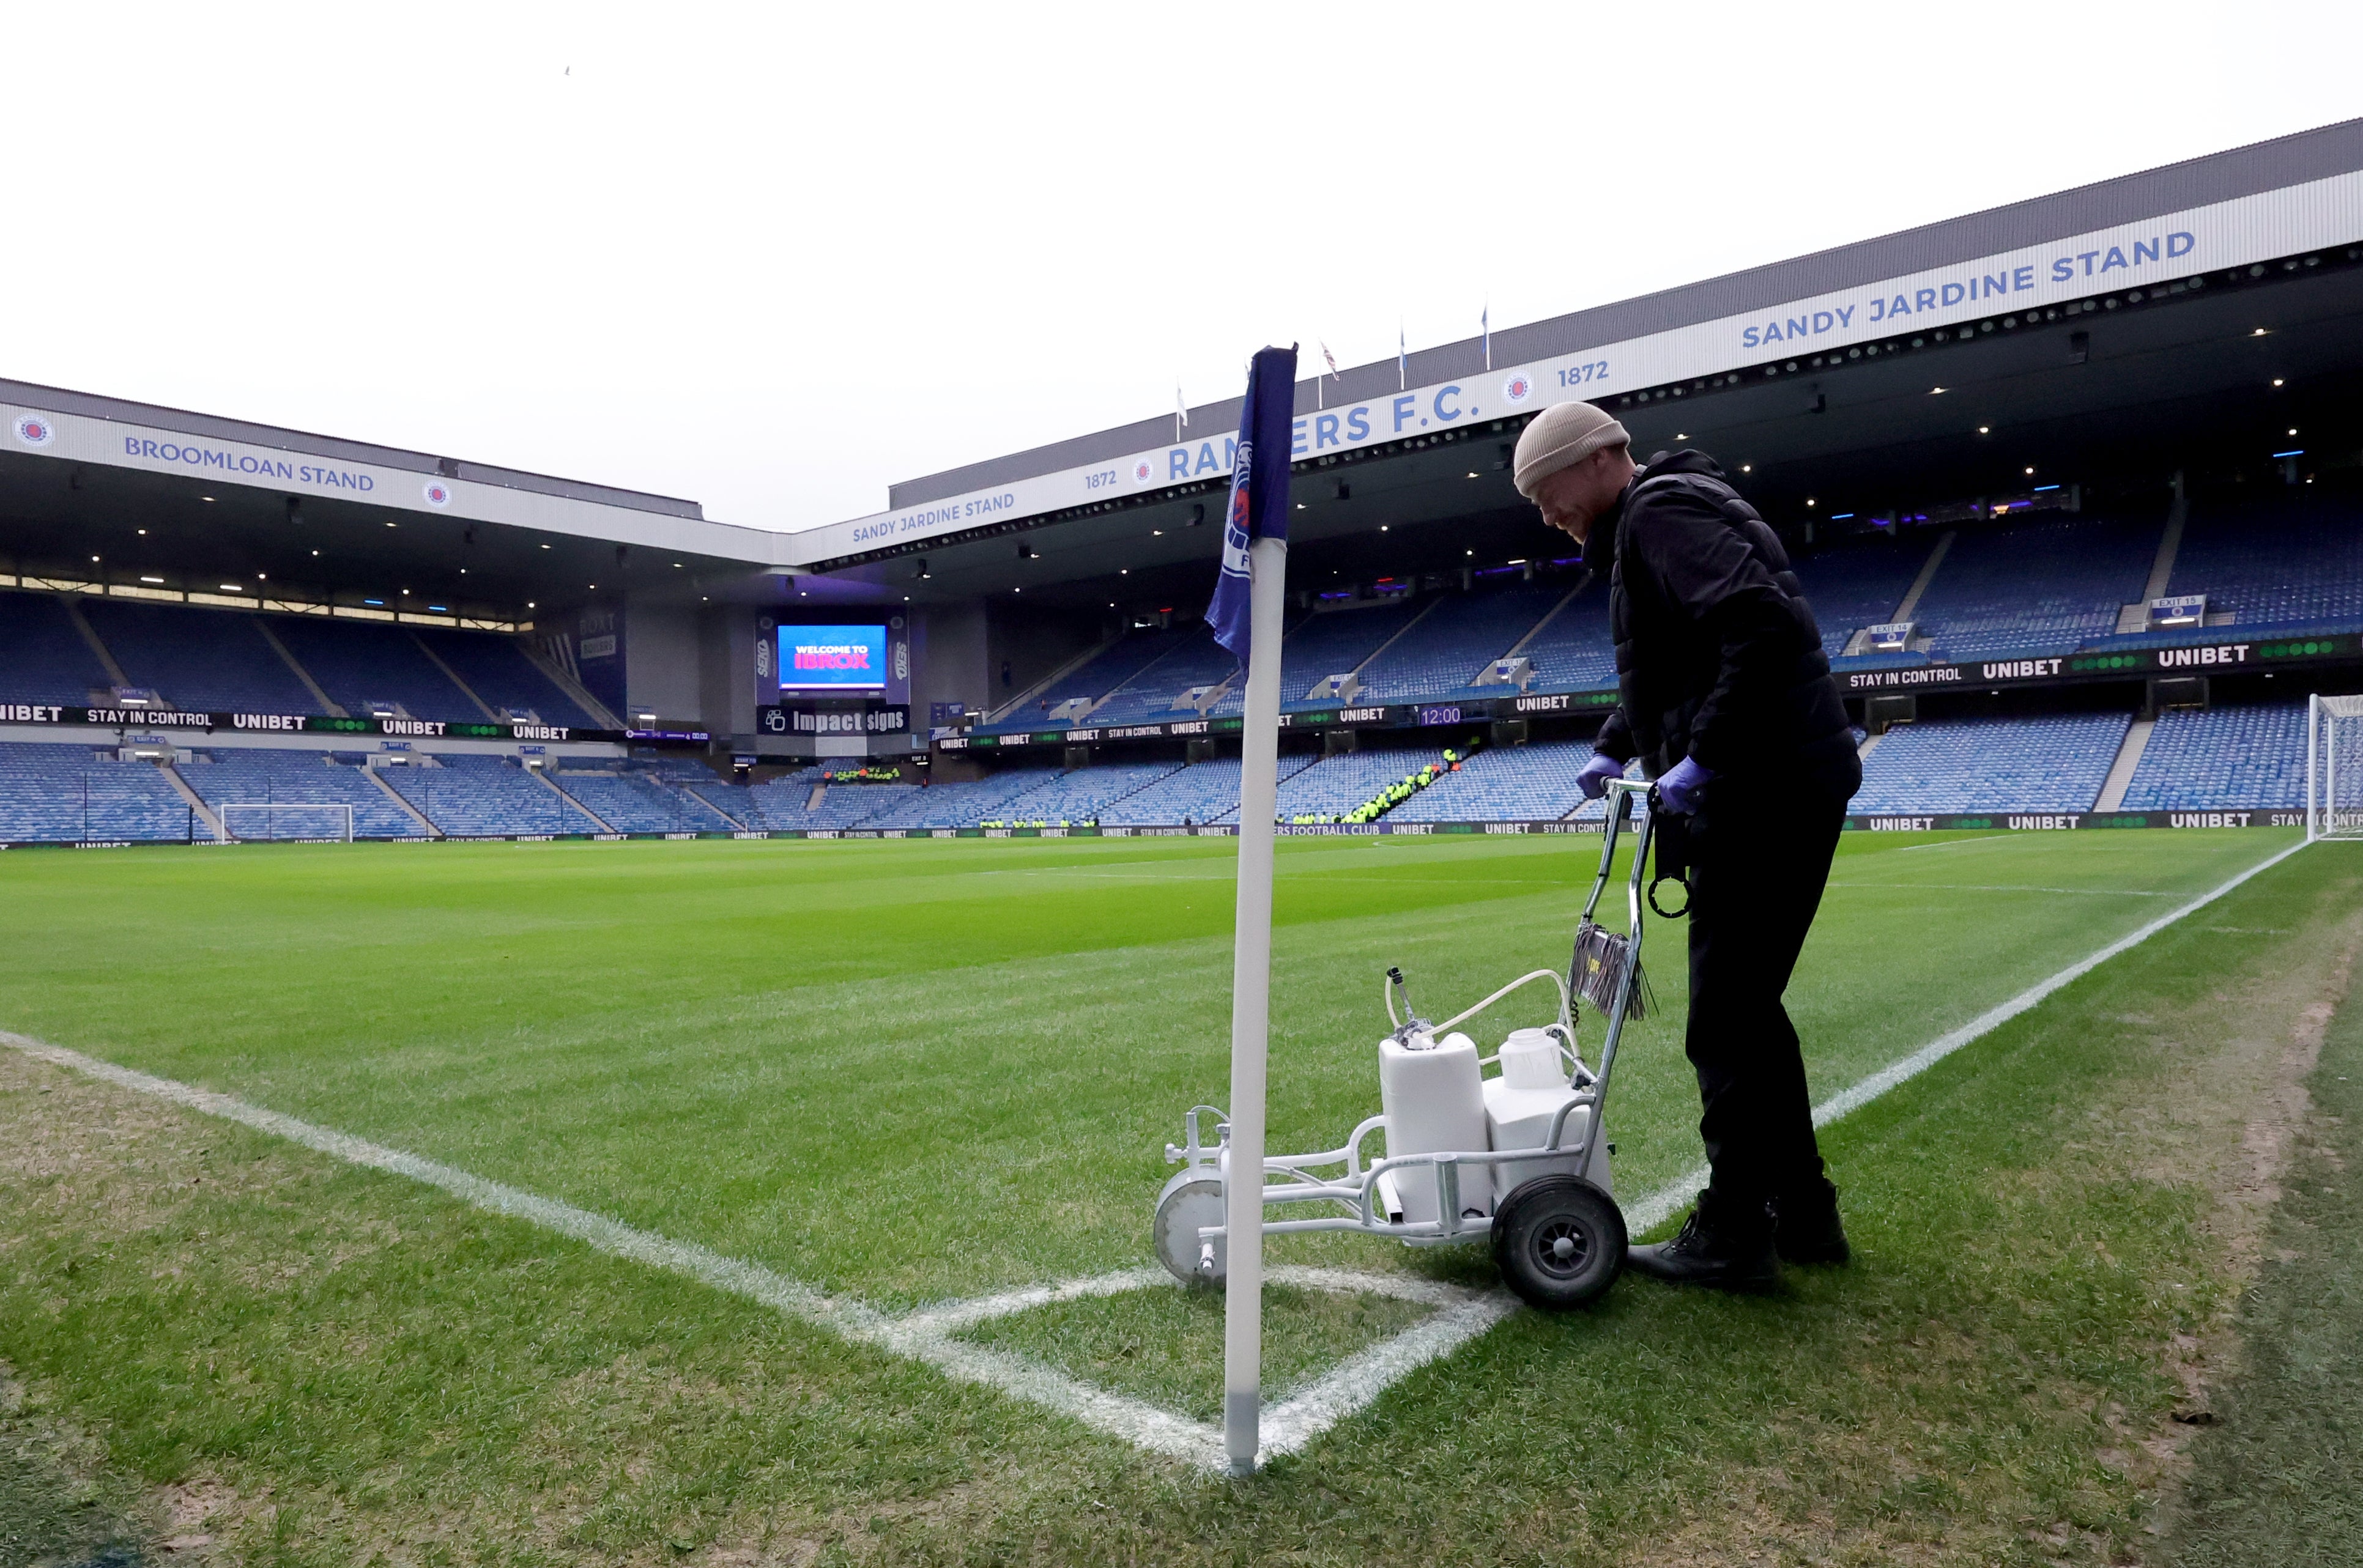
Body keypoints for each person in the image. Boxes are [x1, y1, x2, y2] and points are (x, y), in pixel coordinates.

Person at [1513, 401, 1861, 1289]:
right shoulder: (1653, 520)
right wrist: (1614, 743)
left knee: (1726, 1022)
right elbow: (1677, 665)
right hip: (1777, 784)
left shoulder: (1661, 513)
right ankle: (1803, 1213)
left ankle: (1736, 1232)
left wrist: (1705, 757)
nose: (1548, 516)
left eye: (1548, 494)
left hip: (1766, 790)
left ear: (1599, 458)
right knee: (1750, 1014)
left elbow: (1760, 627)